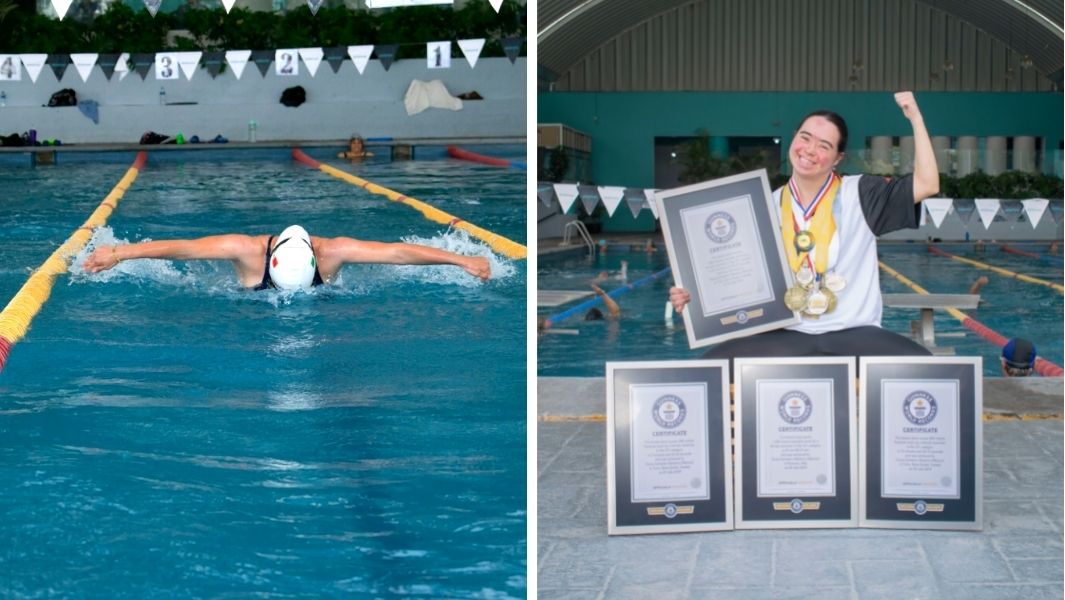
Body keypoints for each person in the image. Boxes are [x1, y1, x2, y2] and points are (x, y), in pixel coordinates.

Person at [670, 91, 938, 365]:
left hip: (853, 332)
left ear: (837, 158)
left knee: (931, 371)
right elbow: (737, 275)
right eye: (805, 138)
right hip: (784, 332)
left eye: (824, 146)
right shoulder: (764, 204)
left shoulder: (860, 193)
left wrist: (915, 118)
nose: (810, 150)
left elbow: (928, 184)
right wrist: (695, 298)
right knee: (706, 369)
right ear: (794, 137)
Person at [82, 225, 491, 290]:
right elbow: (183, 249)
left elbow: (398, 254)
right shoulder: (244, 248)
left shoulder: (332, 251)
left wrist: (462, 261)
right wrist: (118, 253)